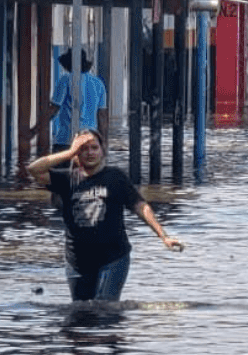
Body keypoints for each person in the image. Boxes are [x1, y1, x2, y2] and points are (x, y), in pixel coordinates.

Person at [26, 128, 182, 301]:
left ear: (102, 150)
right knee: (81, 313)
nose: (90, 153)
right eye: (83, 149)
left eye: (94, 147)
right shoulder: (67, 179)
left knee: (105, 307)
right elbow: (34, 169)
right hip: (77, 262)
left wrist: (163, 236)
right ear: (77, 154)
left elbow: (140, 206)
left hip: (113, 258)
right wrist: (69, 152)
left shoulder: (115, 177)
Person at [49, 50, 109, 150]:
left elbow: (53, 110)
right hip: (89, 140)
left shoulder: (65, 79)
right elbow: (102, 117)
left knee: (61, 165)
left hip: (66, 140)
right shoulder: (98, 83)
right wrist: (103, 143)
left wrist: (34, 130)